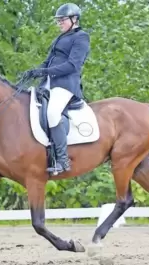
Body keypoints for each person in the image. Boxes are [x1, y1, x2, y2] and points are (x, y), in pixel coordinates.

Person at [23, 3, 90, 174]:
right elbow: (48, 61)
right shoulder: (59, 38)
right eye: (58, 20)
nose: (59, 23)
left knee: (52, 113)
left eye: (62, 20)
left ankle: (62, 160)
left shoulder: (81, 37)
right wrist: (35, 72)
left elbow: (72, 65)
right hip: (49, 84)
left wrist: (44, 71)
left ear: (74, 19)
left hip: (66, 85)